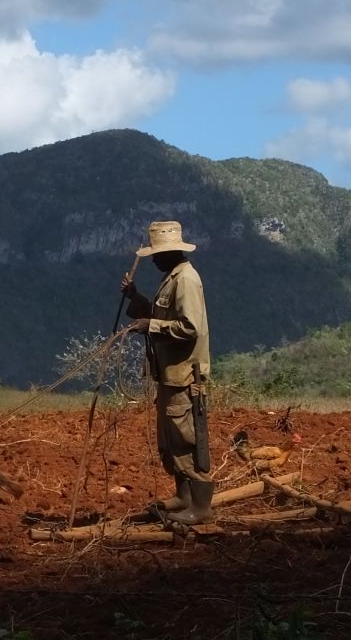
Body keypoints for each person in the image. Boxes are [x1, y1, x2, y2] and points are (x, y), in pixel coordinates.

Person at [120, 221, 213, 524]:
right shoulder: (170, 278)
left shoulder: (186, 279)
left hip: (185, 375)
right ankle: (183, 497)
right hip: (169, 374)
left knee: (186, 438)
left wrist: (151, 326)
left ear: (171, 252)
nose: (153, 259)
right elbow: (160, 314)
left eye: (156, 255)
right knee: (170, 439)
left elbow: (190, 327)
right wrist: (136, 298)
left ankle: (200, 509)